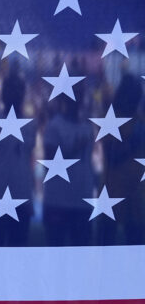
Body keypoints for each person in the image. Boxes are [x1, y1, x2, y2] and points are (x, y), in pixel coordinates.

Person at [0, 71, 36, 246]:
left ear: (23, 93)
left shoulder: (31, 125)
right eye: (9, 89)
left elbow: (27, 159)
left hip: (21, 198)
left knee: (18, 259)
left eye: (17, 90)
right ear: (3, 94)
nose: (13, 93)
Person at [43, 87, 94, 246]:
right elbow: (49, 165)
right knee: (56, 257)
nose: (76, 98)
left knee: (80, 258)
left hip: (82, 200)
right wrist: (74, 148)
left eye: (79, 93)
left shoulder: (87, 127)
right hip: (58, 201)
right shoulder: (54, 126)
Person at [99, 74, 145, 245]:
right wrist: (133, 141)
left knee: (135, 248)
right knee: (108, 247)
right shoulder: (111, 120)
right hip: (114, 192)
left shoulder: (139, 121)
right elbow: (112, 154)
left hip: (134, 194)